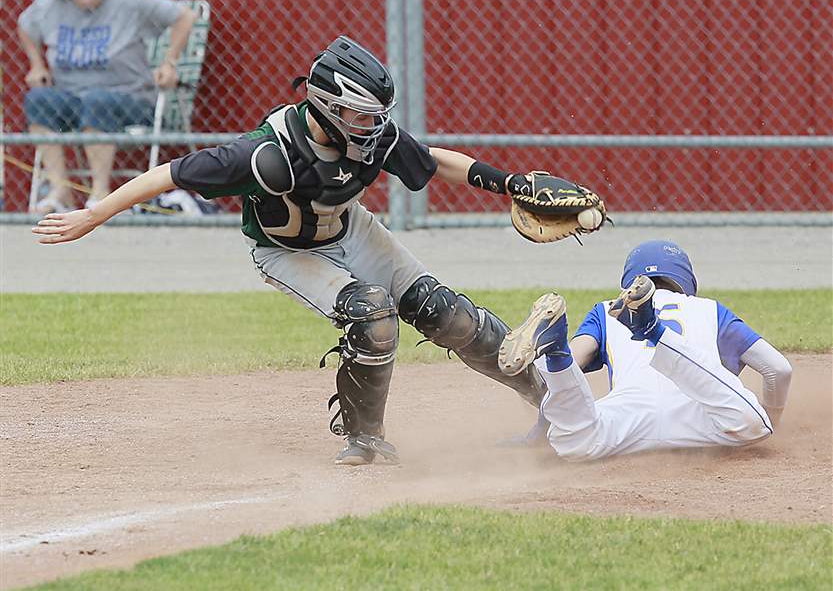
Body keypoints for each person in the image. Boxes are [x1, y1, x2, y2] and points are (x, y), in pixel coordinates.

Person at [33, 36, 550, 466]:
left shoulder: (369, 137)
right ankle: (365, 438)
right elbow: (172, 173)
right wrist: (95, 213)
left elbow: (435, 162)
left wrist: (510, 183)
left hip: (351, 230)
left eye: (375, 116)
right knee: (372, 316)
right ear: (326, 107)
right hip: (286, 250)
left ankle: (551, 402)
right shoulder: (267, 153)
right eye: (358, 114)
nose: (372, 126)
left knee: (447, 315)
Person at [499, 240, 792, 461]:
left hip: (629, 420)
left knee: (576, 444)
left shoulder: (606, 312)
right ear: (686, 279)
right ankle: (652, 330)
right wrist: (773, 420)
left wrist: (540, 433)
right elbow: (778, 369)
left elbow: (571, 371)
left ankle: (554, 351)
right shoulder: (709, 309)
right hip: (702, 420)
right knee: (754, 424)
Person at [19, 0, 197, 213]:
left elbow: (185, 16)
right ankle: (60, 190)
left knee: (97, 100)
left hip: (131, 98)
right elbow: (24, 25)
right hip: (72, 98)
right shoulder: (49, 3)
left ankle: (100, 193)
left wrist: (170, 62)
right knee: (39, 99)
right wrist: (37, 64)